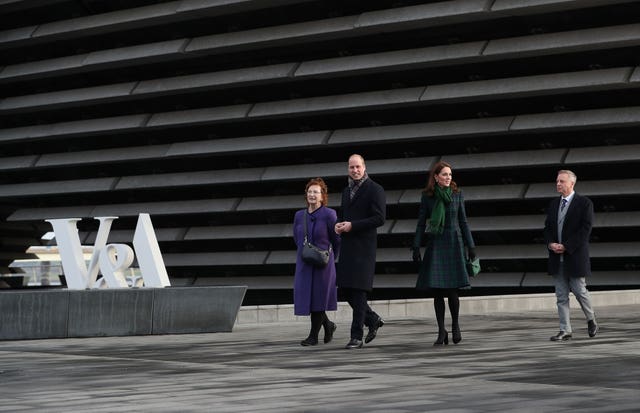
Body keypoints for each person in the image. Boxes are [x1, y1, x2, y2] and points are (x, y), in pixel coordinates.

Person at [411, 161, 475, 346]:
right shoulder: (428, 196)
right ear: (436, 177)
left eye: (450, 175)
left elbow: (463, 222)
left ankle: (455, 325)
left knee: (452, 290)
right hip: (436, 243)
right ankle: (441, 330)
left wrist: (471, 247)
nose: (448, 178)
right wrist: (416, 246)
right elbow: (421, 223)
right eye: (445, 174)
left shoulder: (457, 195)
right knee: (437, 291)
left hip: (454, 244)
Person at [335, 154, 386, 349]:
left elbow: (380, 218)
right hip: (348, 247)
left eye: (357, 167)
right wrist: (338, 225)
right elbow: (343, 215)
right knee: (346, 289)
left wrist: (352, 226)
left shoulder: (375, 189)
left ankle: (356, 335)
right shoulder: (346, 191)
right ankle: (372, 319)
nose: (354, 171)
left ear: (364, 167)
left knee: (358, 290)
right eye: (351, 167)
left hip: (364, 248)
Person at [543, 170, 598, 341]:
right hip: (556, 257)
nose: (558, 184)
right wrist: (550, 243)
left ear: (571, 184)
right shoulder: (553, 204)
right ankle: (565, 329)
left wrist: (567, 246)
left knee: (580, 290)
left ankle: (591, 320)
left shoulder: (584, 203)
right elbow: (547, 228)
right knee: (561, 295)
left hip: (574, 256)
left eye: (562, 181)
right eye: (557, 181)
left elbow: (585, 229)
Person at [293, 177, 341, 346]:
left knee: (319, 298)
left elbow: (337, 240)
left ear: (322, 196)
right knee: (310, 298)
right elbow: (296, 238)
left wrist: (331, 260)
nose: (312, 195)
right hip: (305, 262)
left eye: (316, 192)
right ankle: (328, 325)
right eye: (310, 191)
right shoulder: (299, 215)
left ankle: (313, 336)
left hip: (324, 265)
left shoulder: (329, 214)